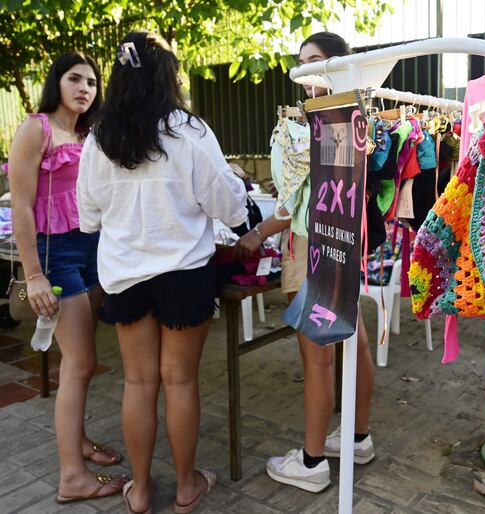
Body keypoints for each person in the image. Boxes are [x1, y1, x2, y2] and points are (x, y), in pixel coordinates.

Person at [77, 32, 247, 513]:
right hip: (183, 272)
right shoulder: (188, 130)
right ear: (167, 76)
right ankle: (188, 486)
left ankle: (142, 490)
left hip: (125, 273)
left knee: (139, 383)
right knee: (179, 383)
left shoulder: (99, 137)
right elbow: (228, 205)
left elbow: (88, 217)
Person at [234, 31, 377, 493]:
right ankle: (358, 438)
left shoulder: (313, 124)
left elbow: (294, 203)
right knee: (355, 343)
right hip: (344, 245)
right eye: (301, 63)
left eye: (314, 61)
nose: (304, 72)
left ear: (338, 64)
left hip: (309, 246)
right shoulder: (358, 117)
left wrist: (257, 233)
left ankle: (313, 461)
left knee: (318, 359)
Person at [5, 52, 128, 503]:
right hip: (55, 257)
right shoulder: (34, 129)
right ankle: (71, 477)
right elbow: (20, 207)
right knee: (80, 362)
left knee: (83, 361)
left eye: (92, 83)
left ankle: (75, 442)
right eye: (75, 79)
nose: (84, 88)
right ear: (57, 82)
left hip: (93, 251)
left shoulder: (89, 133)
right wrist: (33, 275)